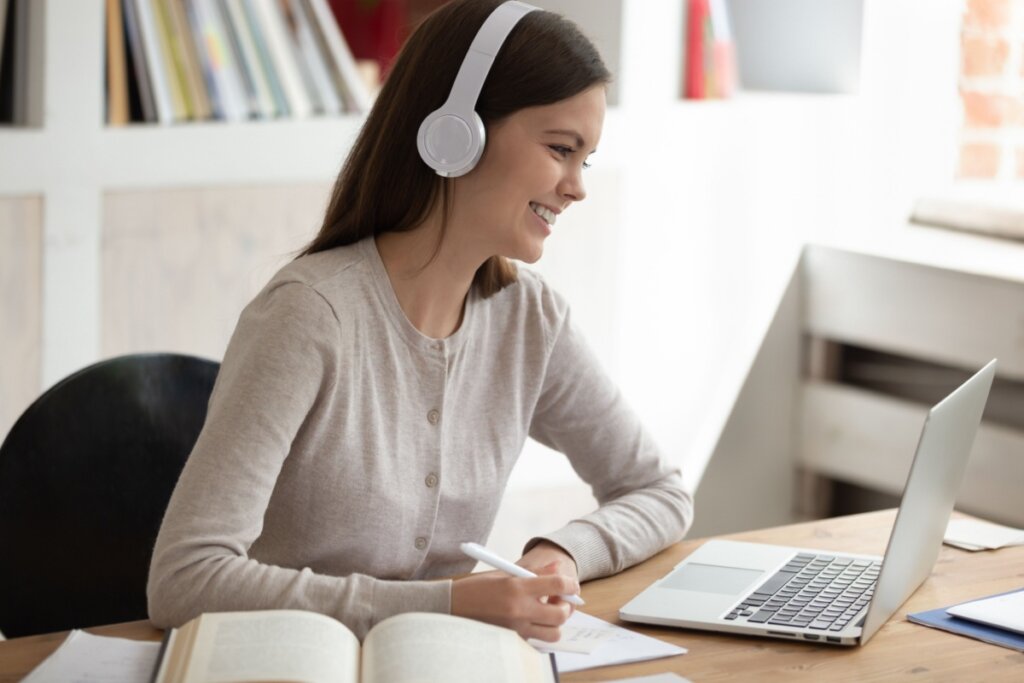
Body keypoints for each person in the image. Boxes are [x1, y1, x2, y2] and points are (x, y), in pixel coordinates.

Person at [148, 0, 693, 643]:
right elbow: (185, 579)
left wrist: (563, 554)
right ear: (457, 133)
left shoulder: (529, 320)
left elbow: (658, 491)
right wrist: (450, 604)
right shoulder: (309, 316)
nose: (577, 186)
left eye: (586, 159)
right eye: (560, 149)